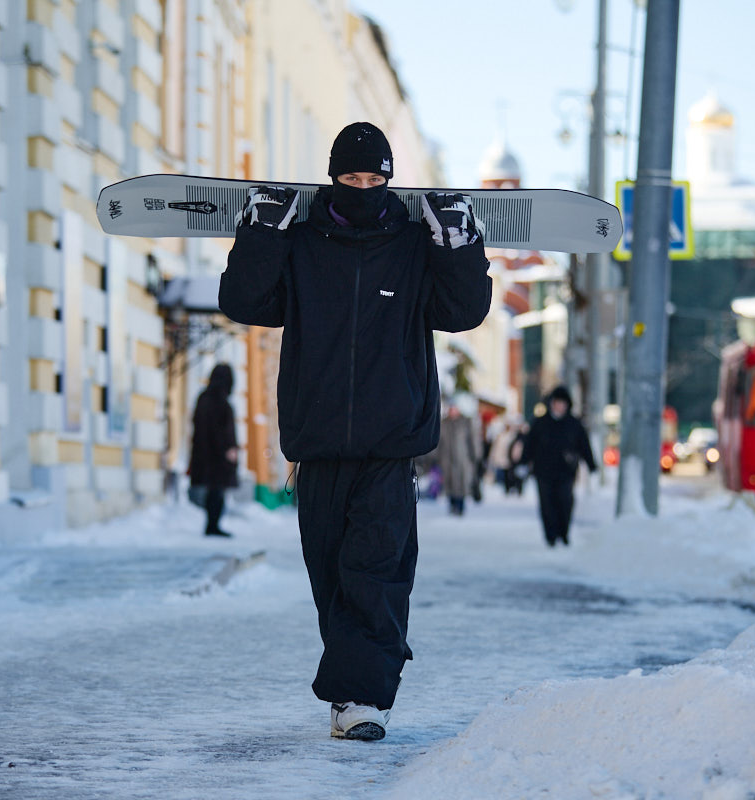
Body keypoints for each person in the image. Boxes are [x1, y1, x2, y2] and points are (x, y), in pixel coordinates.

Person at [217, 121, 492, 740]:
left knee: (377, 573)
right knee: (334, 580)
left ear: (389, 180)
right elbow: (244, 300)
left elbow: (464, 311)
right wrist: (263, 233)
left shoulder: (413, 244)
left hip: (390, 447)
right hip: (316, 448)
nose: (363, 187)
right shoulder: (304, 243)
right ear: (333, 178)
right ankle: (350, 697)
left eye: (375, 179)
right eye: (351, 178)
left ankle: (365, 700)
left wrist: (457, 244)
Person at [520, 386, 597, 547]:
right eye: (556, 403)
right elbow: (529, 445)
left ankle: (563, 532)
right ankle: (550, 535)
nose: (559, 406)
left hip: (566, 472)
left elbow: (584, 445)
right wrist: (523, 463)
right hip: (543, 472)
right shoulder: (540, 423)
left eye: (562, 403)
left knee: (565, 502)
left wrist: (591, 465)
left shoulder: (574, 424)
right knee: (547, 504)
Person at [187, 363, 240, 537]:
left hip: (204, 453)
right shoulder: (221, 401)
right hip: (219, 456)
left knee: (213, 491)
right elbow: (222, 430)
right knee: (217, 491)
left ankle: (212, 525)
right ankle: (213, 526)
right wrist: (228, 449)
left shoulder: (203, 398)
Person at [437, 402, 478, 516]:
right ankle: (452, 504)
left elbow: (472, 440)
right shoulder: (444, 423)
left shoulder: (466, 422)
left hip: (462, 458)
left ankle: (460, 505)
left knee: (461, 482)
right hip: (446, 458)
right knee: (449, 482)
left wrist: (475, 455)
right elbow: (438, 441)